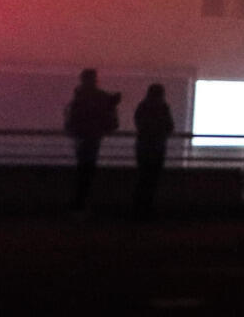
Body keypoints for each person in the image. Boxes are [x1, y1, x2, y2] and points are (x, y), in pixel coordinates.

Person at [63, 67, 121, 212]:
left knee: (83, 172)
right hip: (91, 138)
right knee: (87, 172)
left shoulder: (80, 96)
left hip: (82, 138)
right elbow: (109, 116)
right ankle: (81, 205)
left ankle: (79, 205)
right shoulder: (97, 97)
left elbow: (71, 118)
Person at [131, 82, 174, 219]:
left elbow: (139, 124)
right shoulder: (163, 107)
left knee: (143, 178)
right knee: (152, 179)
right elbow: (170, 127)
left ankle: (138, 209)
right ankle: (147, 208)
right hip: (158, 147)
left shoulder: (143, 106)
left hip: (143, 147)